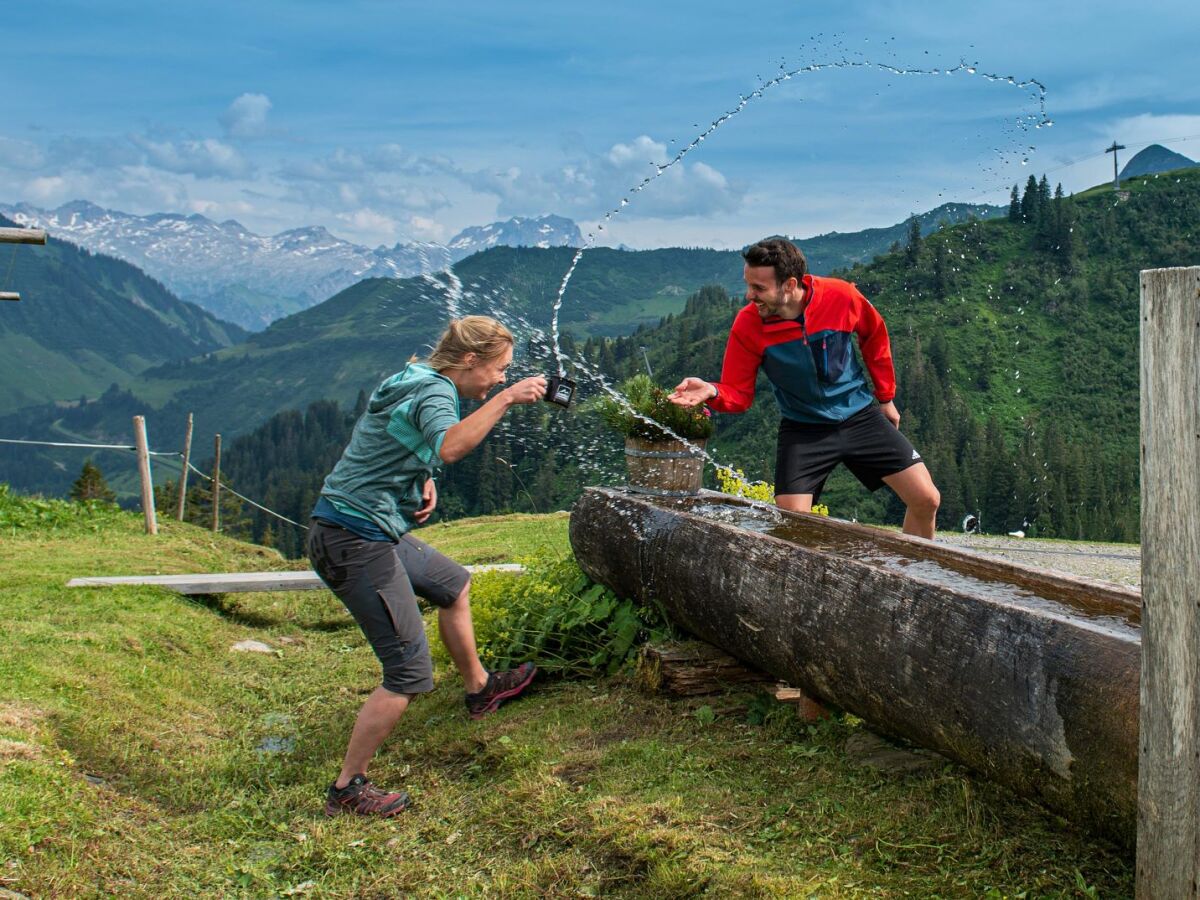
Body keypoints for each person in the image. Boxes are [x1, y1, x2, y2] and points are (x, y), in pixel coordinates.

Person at [308, 315, 546, 818]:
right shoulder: (438, 393)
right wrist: (507, 400)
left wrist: (420, 477)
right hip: (355, 538)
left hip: (358, 525)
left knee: (452, 583)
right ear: (469, 360)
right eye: (498, 369)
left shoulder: (414, 376)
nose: (501, 378)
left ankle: (480, 689)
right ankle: (347, 788)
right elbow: (452, 446)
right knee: (407, 671)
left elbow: (394, 434)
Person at [669, 237, 940, 538]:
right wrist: (712, 390)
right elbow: (739, 393)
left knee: (926, 499)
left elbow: (874, 335)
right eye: (748, 285)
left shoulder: (841, 296)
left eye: (759, 288)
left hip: (859, 416)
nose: (749, 296)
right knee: (792, 527)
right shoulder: (748, 325)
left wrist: (886, 397)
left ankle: (916, 576)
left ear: (789, 285)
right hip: (803, 428)